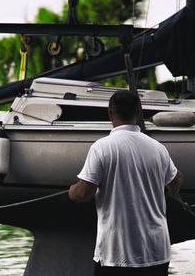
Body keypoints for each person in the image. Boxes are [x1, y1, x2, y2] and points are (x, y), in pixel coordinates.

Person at [69, 90, 183, 276]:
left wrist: (71, 191)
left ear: (110, 114)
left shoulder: (102, 148)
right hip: (156, 252)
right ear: (138, 114)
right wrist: (172, 191)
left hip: (117, 254)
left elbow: (83, 194)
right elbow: (176, 179)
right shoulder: (157, 148)